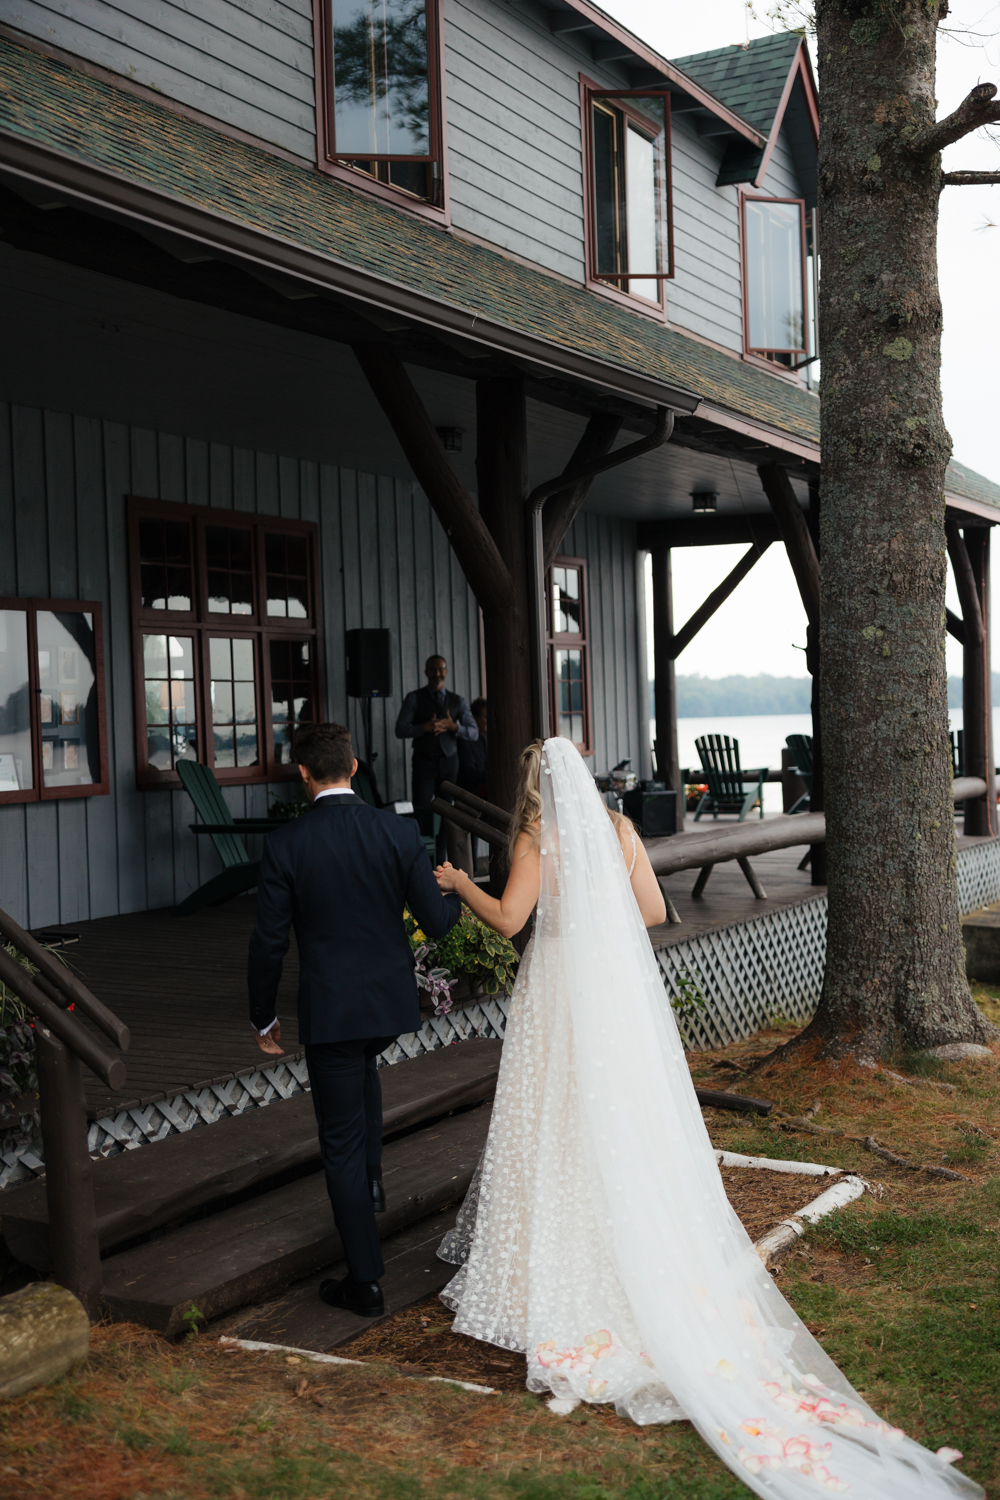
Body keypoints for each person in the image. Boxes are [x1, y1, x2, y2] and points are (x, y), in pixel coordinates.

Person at [431, 738, 979, 1500]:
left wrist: (461, 883)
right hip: (616, 991)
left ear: (529, 785)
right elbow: (654, 912)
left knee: (554, 1121)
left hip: (559, 988)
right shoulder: (619, 833)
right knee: (622, 1120)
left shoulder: (534, 837)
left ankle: (548, 1262)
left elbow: (511, 919)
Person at [247, 722, 461, 1319]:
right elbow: (440, 925)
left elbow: (267, 944)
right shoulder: (397, 831)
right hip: (387, 1005)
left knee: (337, 1139)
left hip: (333, 1009)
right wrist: (454, 888)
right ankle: (370, 1180)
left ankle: (364, 1282)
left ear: (303, 773)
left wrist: (263, 1015)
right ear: (356, 767)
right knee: (363, 1064)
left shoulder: (287, 844)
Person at [395, 655, 478, 859]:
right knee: (422, 810)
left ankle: (442, 859)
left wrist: (454, 727)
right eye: (433, 670)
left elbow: (474, 732)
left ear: (446, 672)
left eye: (441, 669)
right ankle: (422, 858)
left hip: (450, 763)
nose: (437, 674)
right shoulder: (413, 698)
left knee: (447, 813)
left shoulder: (458, 701)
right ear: (426, 673)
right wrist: (423, 728)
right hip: (424, 762)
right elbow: (400, 729)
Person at [456, 697, 487, 798]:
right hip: (470, 796)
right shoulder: (465, 741)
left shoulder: (487, 740)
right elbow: (469, 773)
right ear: (474, 718)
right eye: (486, 717)